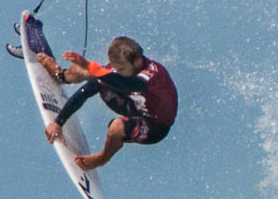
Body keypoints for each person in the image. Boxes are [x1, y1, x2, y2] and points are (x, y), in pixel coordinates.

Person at [37, 36, 177, 171]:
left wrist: (95, 70)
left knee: (116, 126)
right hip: (133, 105)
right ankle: (62, 75)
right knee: (93, 74)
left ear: (137, 61)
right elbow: (87, 91)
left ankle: (102, 158)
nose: (118, 71)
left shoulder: (153, 75)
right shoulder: (125, 67)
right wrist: (58, 122)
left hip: (155, 127)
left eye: (121, 69)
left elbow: (128, 85)